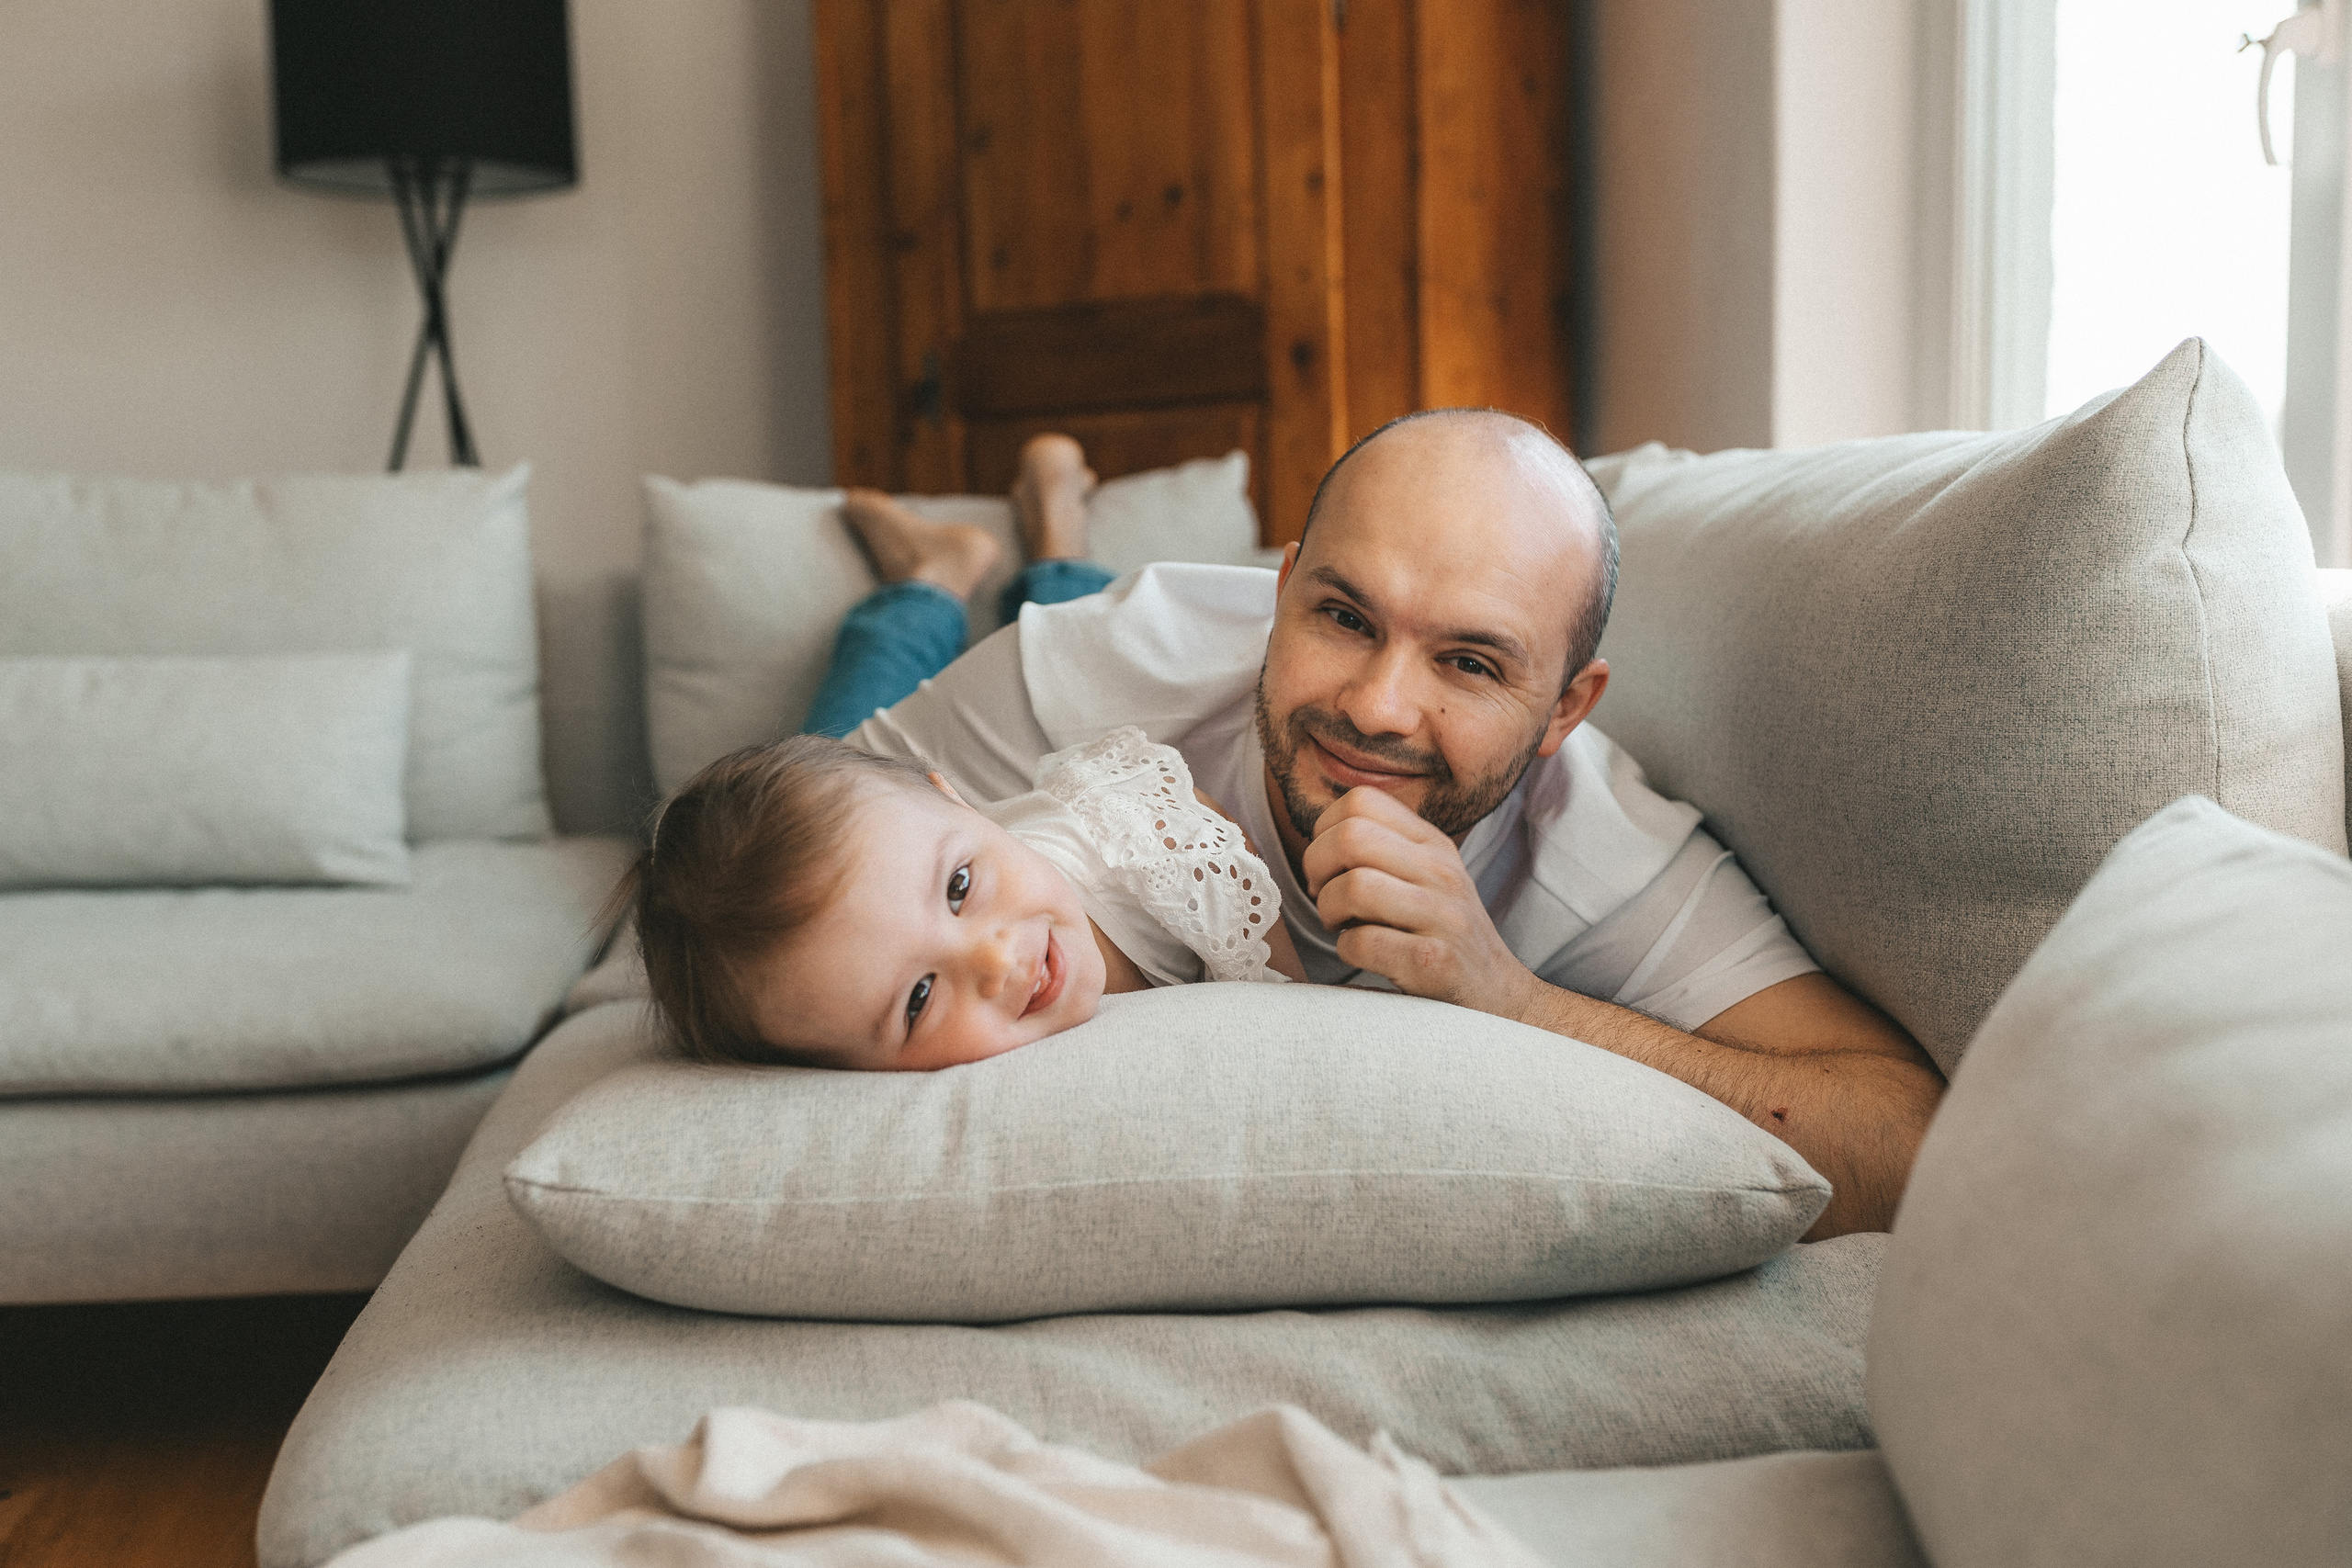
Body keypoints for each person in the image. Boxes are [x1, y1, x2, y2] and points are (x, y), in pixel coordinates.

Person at [847, 411, 1948, 1239]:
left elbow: (1909, 1143)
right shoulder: (1110, 658)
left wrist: (1506, 995)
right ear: (1280, 592)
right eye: (1343, 616)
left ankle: (1043, 528)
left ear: (1567, 707)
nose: (1374, 707)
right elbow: (775, 817)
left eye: (1468, 662)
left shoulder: (1600, 851)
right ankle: (945, 578)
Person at [622, 436, 1304, 1072]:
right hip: (943, 822)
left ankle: (941, 576)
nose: (995, 959)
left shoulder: (1139, 850)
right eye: (919, 997)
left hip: (1074, 758)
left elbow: (1261, 948)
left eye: (959, 888)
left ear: (951, 794)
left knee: (847, 744)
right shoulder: (849, 963)